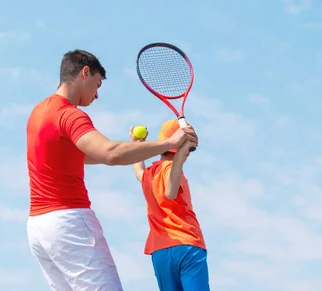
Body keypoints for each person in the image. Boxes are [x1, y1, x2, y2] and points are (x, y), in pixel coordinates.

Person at [25, 49, 199, 291]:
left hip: (39, 228)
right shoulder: (69, 115)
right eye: (97, 85)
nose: (96, 95)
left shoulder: (38, 112)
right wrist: (170, 143)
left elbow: (84, 155)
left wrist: (138, 149)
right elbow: (109, 153)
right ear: (85, 73)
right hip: (69, 223)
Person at [130, 119, 210, 291]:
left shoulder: (150, 174)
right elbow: (170, 192)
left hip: (160, 251)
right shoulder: (173, 169)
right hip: (187, 245)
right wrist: (179, 159)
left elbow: (139, 171)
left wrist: (137, 144)